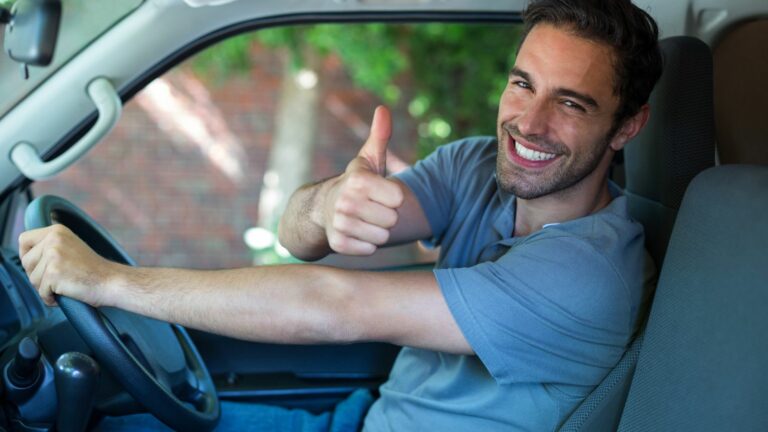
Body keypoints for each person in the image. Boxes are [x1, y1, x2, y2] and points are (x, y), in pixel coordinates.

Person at [18, 0, 662, 430]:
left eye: (571, 104)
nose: (529, 121)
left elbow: (332, 307)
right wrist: (327, 206)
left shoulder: (591, 274)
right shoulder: (475, 168)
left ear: (626, 126)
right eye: (523, 82)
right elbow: (297, 240)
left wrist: (108, 282)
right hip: (358, 419)